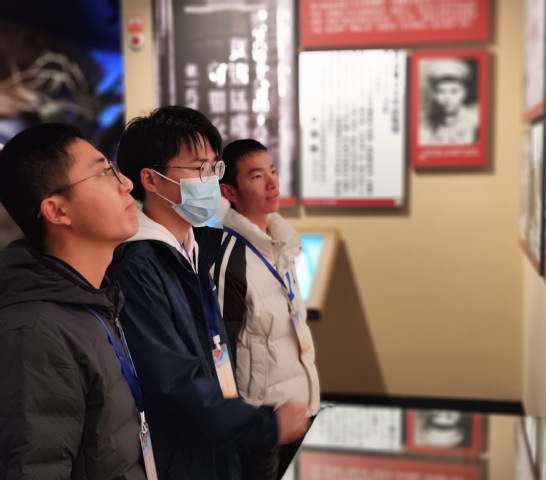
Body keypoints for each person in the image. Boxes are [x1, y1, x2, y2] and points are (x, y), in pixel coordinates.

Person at [106, 106, 310, 480]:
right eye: (200, 169)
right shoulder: (137, 265)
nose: (212, 181)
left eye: (215, 168)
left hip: (215, 445)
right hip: (182, 455)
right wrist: (263, 425)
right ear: (150, 180)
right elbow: (171, 380)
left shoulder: (195, 247)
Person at [0, 123, 147, 478]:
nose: (126, 184)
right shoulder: (36, 334)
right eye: (104, 173)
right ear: (57, 211)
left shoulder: (93, 299)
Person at [214, 139, 320, 479]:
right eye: (257, 176)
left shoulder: (281, 243)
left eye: (272, 171)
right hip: (263, 418)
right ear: (229, 192)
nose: (272, 182)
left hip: (300, 406)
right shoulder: (230, 256)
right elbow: (222, 350)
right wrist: (243, 423)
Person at [419, 59, 478, 145]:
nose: (447, 98)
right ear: (432, 94)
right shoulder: (422, 123)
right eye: (441, 91)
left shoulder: (475, 123)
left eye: (454, 91)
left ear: (464, 93)